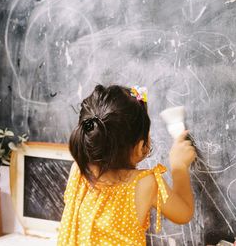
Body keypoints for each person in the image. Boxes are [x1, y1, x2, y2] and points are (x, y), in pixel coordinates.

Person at [58, 84, 196, 245]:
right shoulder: (144, 183)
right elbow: (184, 213)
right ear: (139, 147)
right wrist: (179, 167)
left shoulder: (78, 171)